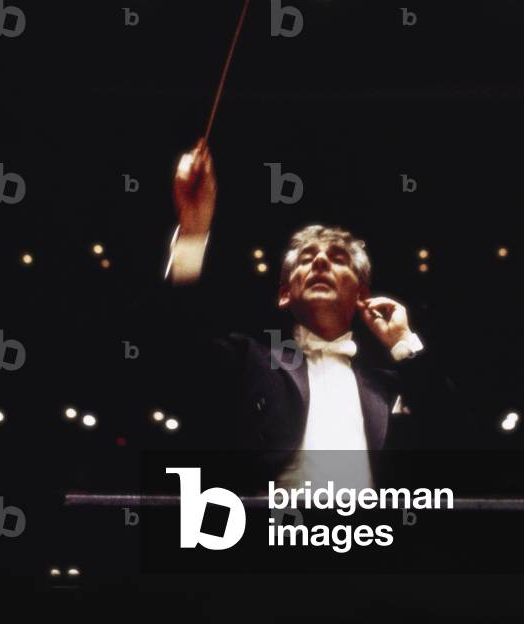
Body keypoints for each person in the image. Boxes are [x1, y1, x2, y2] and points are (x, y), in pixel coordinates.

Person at [159, 137, 460, 491]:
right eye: (307, 259)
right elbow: (173, 345)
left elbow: (453, 432)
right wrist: (193, 231)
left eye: (338, 258)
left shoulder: (387, 384)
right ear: (285, 294)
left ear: (361, 294)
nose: (319, 261)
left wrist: (403, 344)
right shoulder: (247, 360)